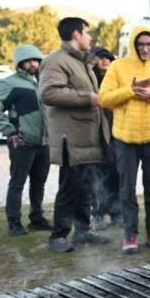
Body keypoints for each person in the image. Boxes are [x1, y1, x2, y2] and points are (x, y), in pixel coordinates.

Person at [97, 25, 150, 253]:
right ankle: (130, 234)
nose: (145, 48)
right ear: (133, 44)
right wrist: (130, 90)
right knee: (126, 188)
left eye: (149, 44)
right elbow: (103, 99)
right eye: (141, 44)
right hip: (125, 139)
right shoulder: (118, 67)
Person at [39, 17, 112, 253]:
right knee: (69, 188)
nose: (90, 37)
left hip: (88, 137)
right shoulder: (56, 61)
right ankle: (58, 236)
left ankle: (83, 231)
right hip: (71, 139)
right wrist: (87, 98)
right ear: (76, 35)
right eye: (87, 33)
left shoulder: (81, 62)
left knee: (86, 188)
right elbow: (49, 93)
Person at [0, 45, 52, 236]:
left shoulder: (42, 82)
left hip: (44, 141)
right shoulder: (11, 83)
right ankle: (14, 222)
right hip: (22, 141)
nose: (33, 64)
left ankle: (37, 217)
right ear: (20, 63)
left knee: (39, 182)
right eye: (28, 61)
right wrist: (9, 130)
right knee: (18, 182)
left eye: (36, 60)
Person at [90, 46, 122, 228]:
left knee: (115, 174)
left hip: (115, 134)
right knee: (97, 176)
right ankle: (98, 213)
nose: (105, 61)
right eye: (101, 58)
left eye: (108, 58)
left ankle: (116, 212)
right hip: (95, 134)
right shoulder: (90, 80)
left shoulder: (115, 80)